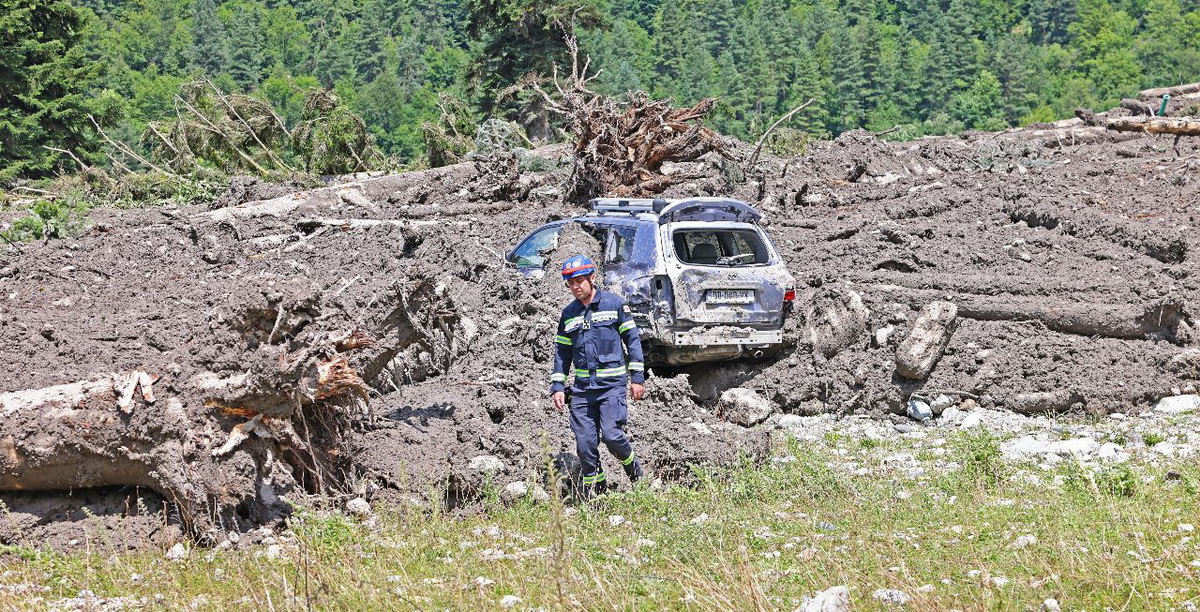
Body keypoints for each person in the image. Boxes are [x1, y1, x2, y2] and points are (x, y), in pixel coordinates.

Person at [550, 254, 646, 499]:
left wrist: (637, 377)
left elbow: (632, 341)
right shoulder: (568, 314)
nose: (575, 287)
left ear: (592, 278)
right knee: (585, 445)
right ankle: (597, 493)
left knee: (612, 436)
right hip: (582, 391)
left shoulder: (614, 305)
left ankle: (637, 475)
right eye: (570, 283)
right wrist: (558, 385)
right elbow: (562, 352)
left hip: (612, 386)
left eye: (580, 281)